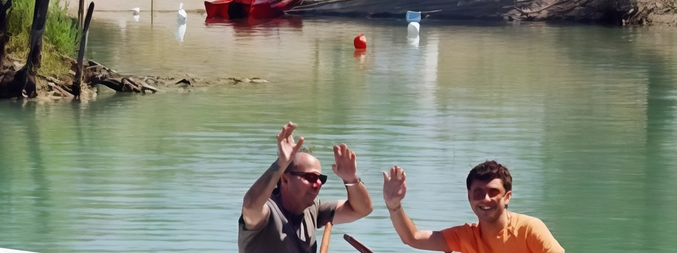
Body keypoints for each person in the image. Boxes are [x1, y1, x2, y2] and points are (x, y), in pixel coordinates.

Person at [239, 122, 374, 253]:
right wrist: (281, 162)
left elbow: (362, 209)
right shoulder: (266, 212)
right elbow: (250, 205)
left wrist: (351, 179)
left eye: (321, 179)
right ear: (285, 179)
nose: (318, 184)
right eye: (310, 178)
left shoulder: (313, 209)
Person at [382, 160, 564, 253]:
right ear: (469, 196)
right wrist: (394, 205)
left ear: (507, 197)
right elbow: (412, 238)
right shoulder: (466, 236)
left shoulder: (528, 229)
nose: (485, 199)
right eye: (478, 192)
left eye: (493, 192)